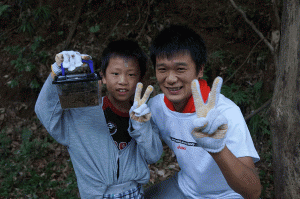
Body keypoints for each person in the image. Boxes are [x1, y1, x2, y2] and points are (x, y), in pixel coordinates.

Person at [35, 39, 163, 199]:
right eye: (115, 73)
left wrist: (142, 127)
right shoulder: (83, 112)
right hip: (96, 195)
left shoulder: (144, 114)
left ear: (140, 79)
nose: (123, 81)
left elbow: (153, 156)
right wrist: (56, 73)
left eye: (131, 74)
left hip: (135, 193)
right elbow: (44, 110)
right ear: (102, 76)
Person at [145, 25, 261, 199]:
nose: (170, 79)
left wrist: (218, 149)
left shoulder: (226, 113)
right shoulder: (156, 107)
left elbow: (253, 191)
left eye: (180, 69)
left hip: (227, 195)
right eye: (162, 69)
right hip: (186, 187)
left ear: (200, 70)